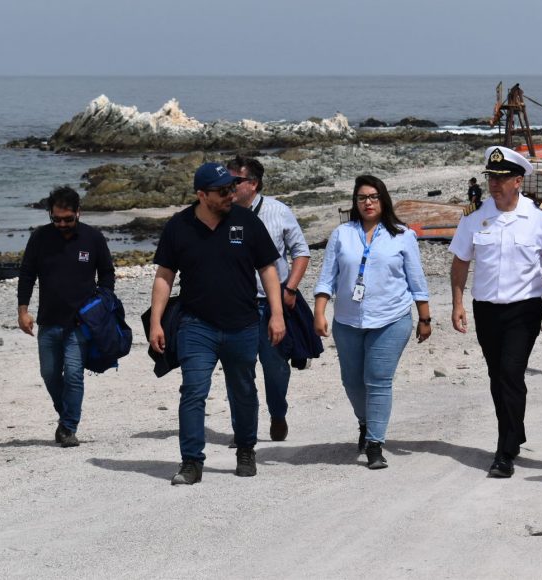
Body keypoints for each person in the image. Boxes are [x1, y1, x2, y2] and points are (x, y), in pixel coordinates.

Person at [150, 162, 285, 485]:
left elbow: (268, 269)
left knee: (243, 390)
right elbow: (164, 277)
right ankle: (191, 462)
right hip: (197, 325)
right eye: (223, 191)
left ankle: (246, 449)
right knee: (193, 391)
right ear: (201, 195)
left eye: (233, 188)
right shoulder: (178, 227)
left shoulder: (246, 221)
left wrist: (277, 314)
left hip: (243, 323)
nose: (231, 194)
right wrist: (156, 321)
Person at [449, 146, 542, 478]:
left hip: (523, 309)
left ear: (518, 180)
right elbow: (460, 262)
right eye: (491, 178)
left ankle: (505, 450)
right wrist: (457, 303)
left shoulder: (540, 216)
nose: (494, 184)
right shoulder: (474, 216)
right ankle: (515, 428)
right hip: (485, 309)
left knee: (511, 373)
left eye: (501, 178)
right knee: (497, 376)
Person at [314, 175, 431, 470]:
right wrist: (319, 311)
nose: (368, 202)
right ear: (355, 202)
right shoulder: (342, 234)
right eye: (362, 197)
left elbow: (416, 280)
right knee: (351, 380)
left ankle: (375, 444)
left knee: (378, 380)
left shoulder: (402, 235)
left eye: (374, 197)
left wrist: (425, 317)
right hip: (347, 320)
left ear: (384, 200)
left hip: (391, 318)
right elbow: (327, 277)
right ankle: (365, 423)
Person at [18, 186, 114, 448]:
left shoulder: (93, 238)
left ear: (78, 213)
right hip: (48, 320)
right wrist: (23, 310)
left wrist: (103, 303)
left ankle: (69, 427)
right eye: (56, 219)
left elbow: (107, 273)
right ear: (50, 215)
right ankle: (66, 417)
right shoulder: (40, 238)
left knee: (73, 374)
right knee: (49, 374)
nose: (62, 224)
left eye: (67, 219)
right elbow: (27, 274)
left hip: (80, 322)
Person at [227, 155, 310, 441]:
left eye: (235, 180)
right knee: (238, 368)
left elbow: (301, 252)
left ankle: (278, 413)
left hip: (271, 303)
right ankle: (243, 428)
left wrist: (291, 289)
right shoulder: (222, 214)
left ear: (253, 183)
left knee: (275, 367)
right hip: (236, 305)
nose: (230, 186)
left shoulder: (278, 211)